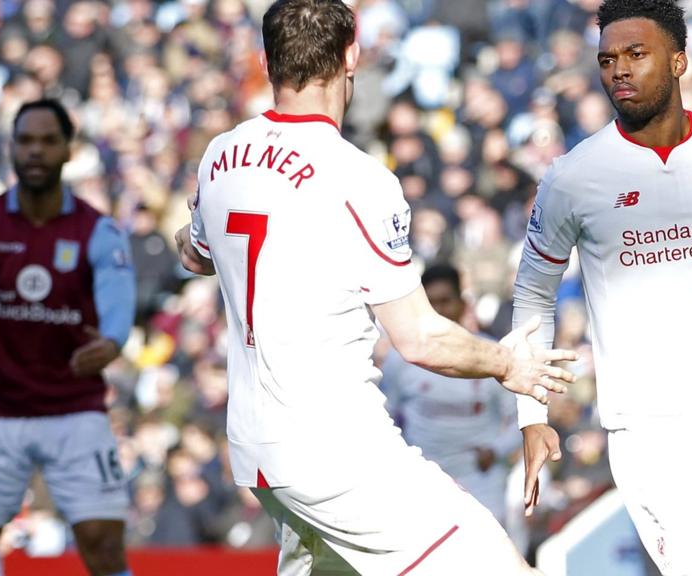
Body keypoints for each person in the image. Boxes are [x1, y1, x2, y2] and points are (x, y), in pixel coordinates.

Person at [174, 0, 578, 572]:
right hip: (336, 450)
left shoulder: (219, 157)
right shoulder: (357, 177)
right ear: (352, 56)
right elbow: (419, 339)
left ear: (265, 61)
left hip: (259, 453)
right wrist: (507, 364)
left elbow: (194, 253)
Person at [513, 1, 692, 574]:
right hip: (648, 430)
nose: (619, 70)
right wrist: (530, 415)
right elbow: (532, 296)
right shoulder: (571, 178)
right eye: (608, 58)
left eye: (637, 54)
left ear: (679, 60)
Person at [0, 98, 135, 576]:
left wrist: (112, 341)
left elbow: (117, 299)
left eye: (48, 141)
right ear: (10, 148)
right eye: (26, 140)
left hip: (75, 409)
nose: (35, 151)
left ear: (68, 151)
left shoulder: (98, 231)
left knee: (104, 546)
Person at [380, 263, 520, 525]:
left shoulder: (491, 355)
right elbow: (383, 416)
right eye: (431, 303)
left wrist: (496, 451)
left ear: (463, 303)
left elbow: (520, 420)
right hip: (424, 479)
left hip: (481, 478)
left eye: (446, 301)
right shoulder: (400, 359)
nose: (440, 310)